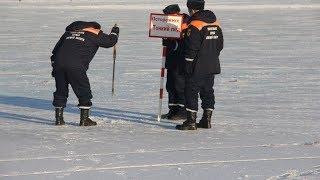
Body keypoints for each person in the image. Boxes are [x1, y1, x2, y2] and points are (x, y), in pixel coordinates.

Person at [51, 21, 119, 126]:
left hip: (58, 63)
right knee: (83, 90)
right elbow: (109, 42)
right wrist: (115, 32)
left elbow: (55, 51)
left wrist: (54, 64)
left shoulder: (68, 33)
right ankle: (84, 120)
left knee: (61, 90)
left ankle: (58, 119)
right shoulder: (94, 33)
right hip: (76, 65)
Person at [176, 0, 224, 130]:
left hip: (197, 66)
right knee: (208, 91)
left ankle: (191, 122)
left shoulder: (195, 24)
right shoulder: (215, 22)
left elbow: (192, 47)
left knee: (191, 91)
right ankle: (206, 120)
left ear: (191, 9)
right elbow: (220, 45)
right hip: (212, 64)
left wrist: (188, 64)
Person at [161, 4, 190, 120]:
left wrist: (172, 42)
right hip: (171, 60)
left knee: (180, 86)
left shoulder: (186, 22)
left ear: (176, 13)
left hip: (181, 61)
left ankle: (182, 111)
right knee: (170, 85)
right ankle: (172, 110)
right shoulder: (168, 23)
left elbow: (184, 42)